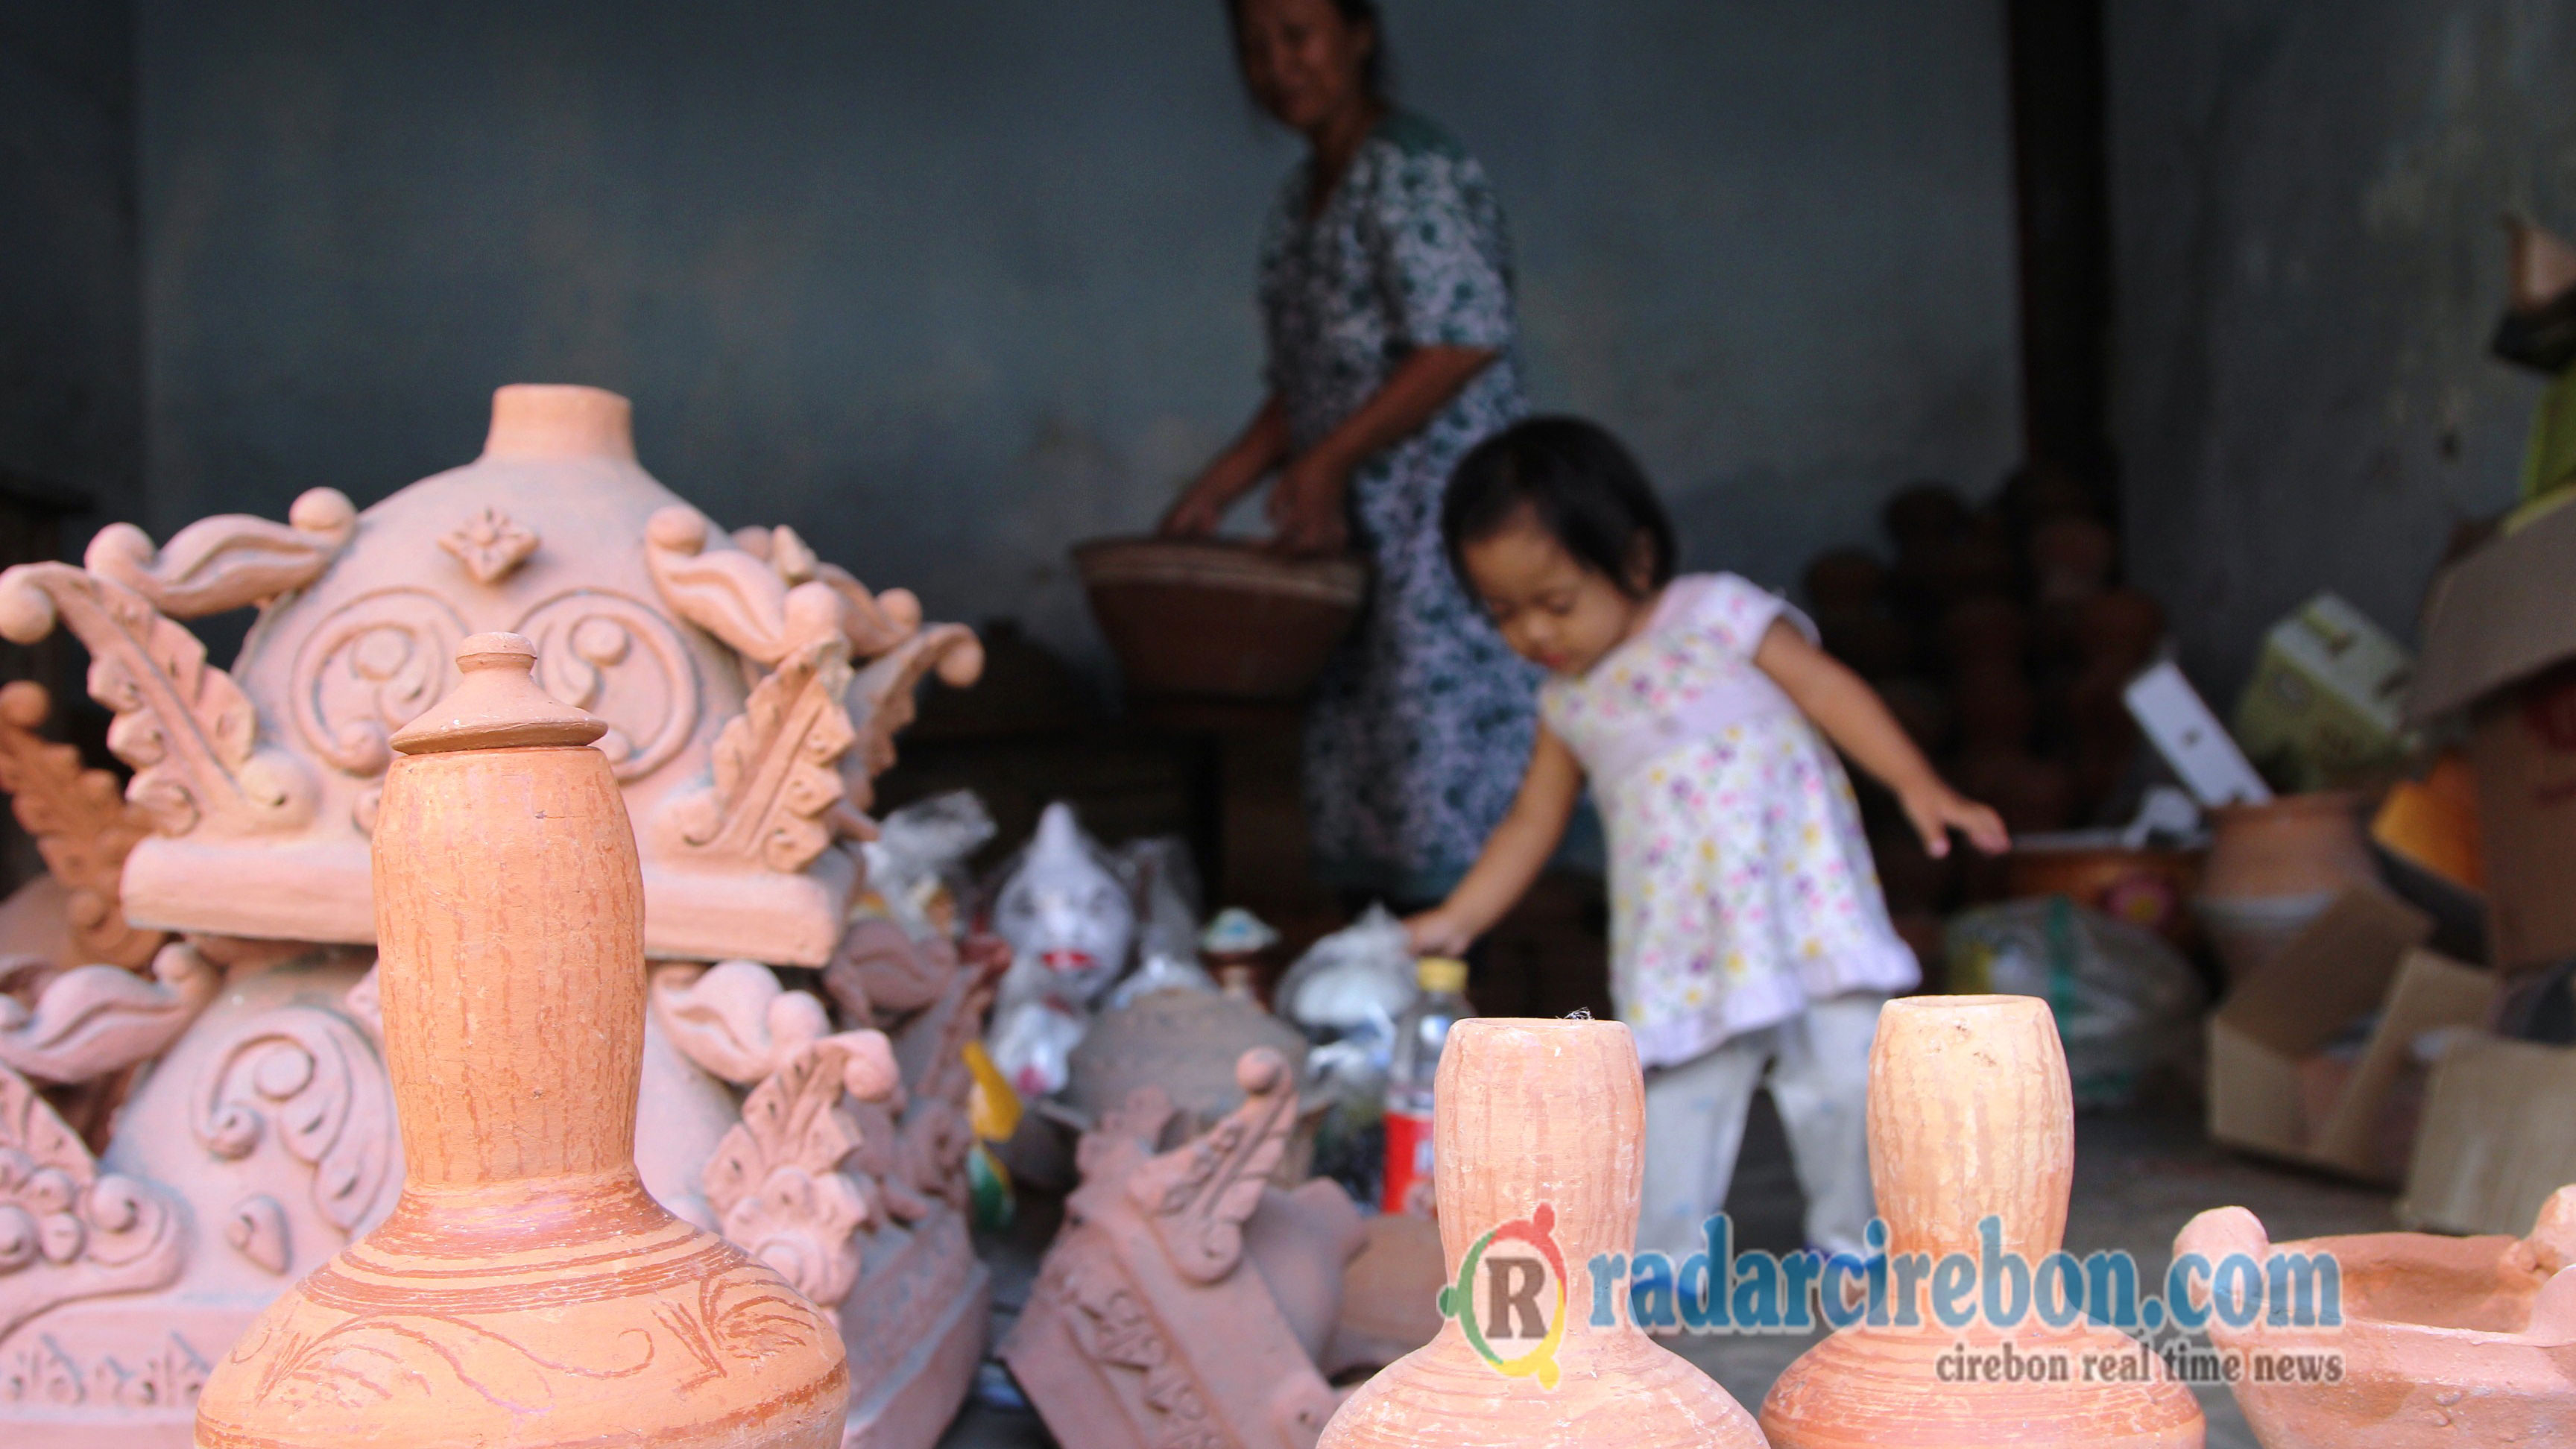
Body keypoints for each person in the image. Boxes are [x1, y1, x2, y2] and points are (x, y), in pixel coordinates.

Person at [1404, 417, 2011, 1260]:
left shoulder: (1716, 613)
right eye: (1505, 614)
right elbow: (1531, 823)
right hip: (1684, 944)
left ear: (1638, 560)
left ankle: (1864, 1253)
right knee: (1676, 1109)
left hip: (1806, 910)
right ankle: (1659, 1270)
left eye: (1558, 603)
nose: (1536, 636)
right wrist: (1455, 921)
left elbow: (1828, 691)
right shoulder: (1568, 705)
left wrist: (1918, 784)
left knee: (1848, 1081)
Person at [1162, 0, 1536, 909]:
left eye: (1299, 36)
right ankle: (1389, 976)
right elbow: (1315, 380)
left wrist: (1326, 465)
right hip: (1359, 531)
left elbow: (1460, 340)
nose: (1278, 65)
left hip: (1444, 520)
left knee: (1438, 755)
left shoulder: (1412, 169)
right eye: (1255, 47)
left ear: (1359, 33)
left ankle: (1472, 977)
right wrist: (1219, 486)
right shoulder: (1305, 195)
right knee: (1365, 766)